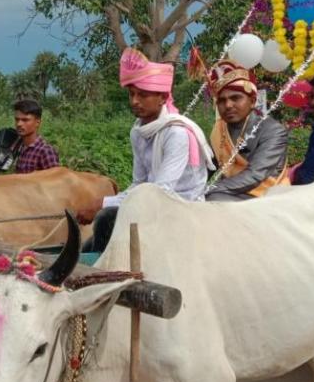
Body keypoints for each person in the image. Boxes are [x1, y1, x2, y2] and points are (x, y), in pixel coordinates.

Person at [77, 48, 214, 252]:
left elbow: (159, 192)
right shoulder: (138, 131)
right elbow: (139, 184)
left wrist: (101, 203)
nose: (134, 101)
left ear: (162, 97)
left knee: (106, 217)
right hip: (149, 205)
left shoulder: (176, 133)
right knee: (88, 248)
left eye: (143, 95)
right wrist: (106, 203)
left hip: (180, 208)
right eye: (132, 94)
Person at [205, 60, 289, 201]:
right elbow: (207, 167)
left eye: (235, 98)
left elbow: (255, 175)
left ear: (253, 101)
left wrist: (207, 190)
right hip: (230, 191)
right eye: (221, 100)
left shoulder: (273, 131)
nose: (228, 105)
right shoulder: (219, 129)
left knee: (213, 199)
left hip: (268, 196)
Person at [12, 98, 60, 173]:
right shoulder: (18, 147)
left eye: (25, 120)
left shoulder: (45, 151)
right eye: (17, 119)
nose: (19, 124)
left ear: (37, 122)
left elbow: (55, 181)